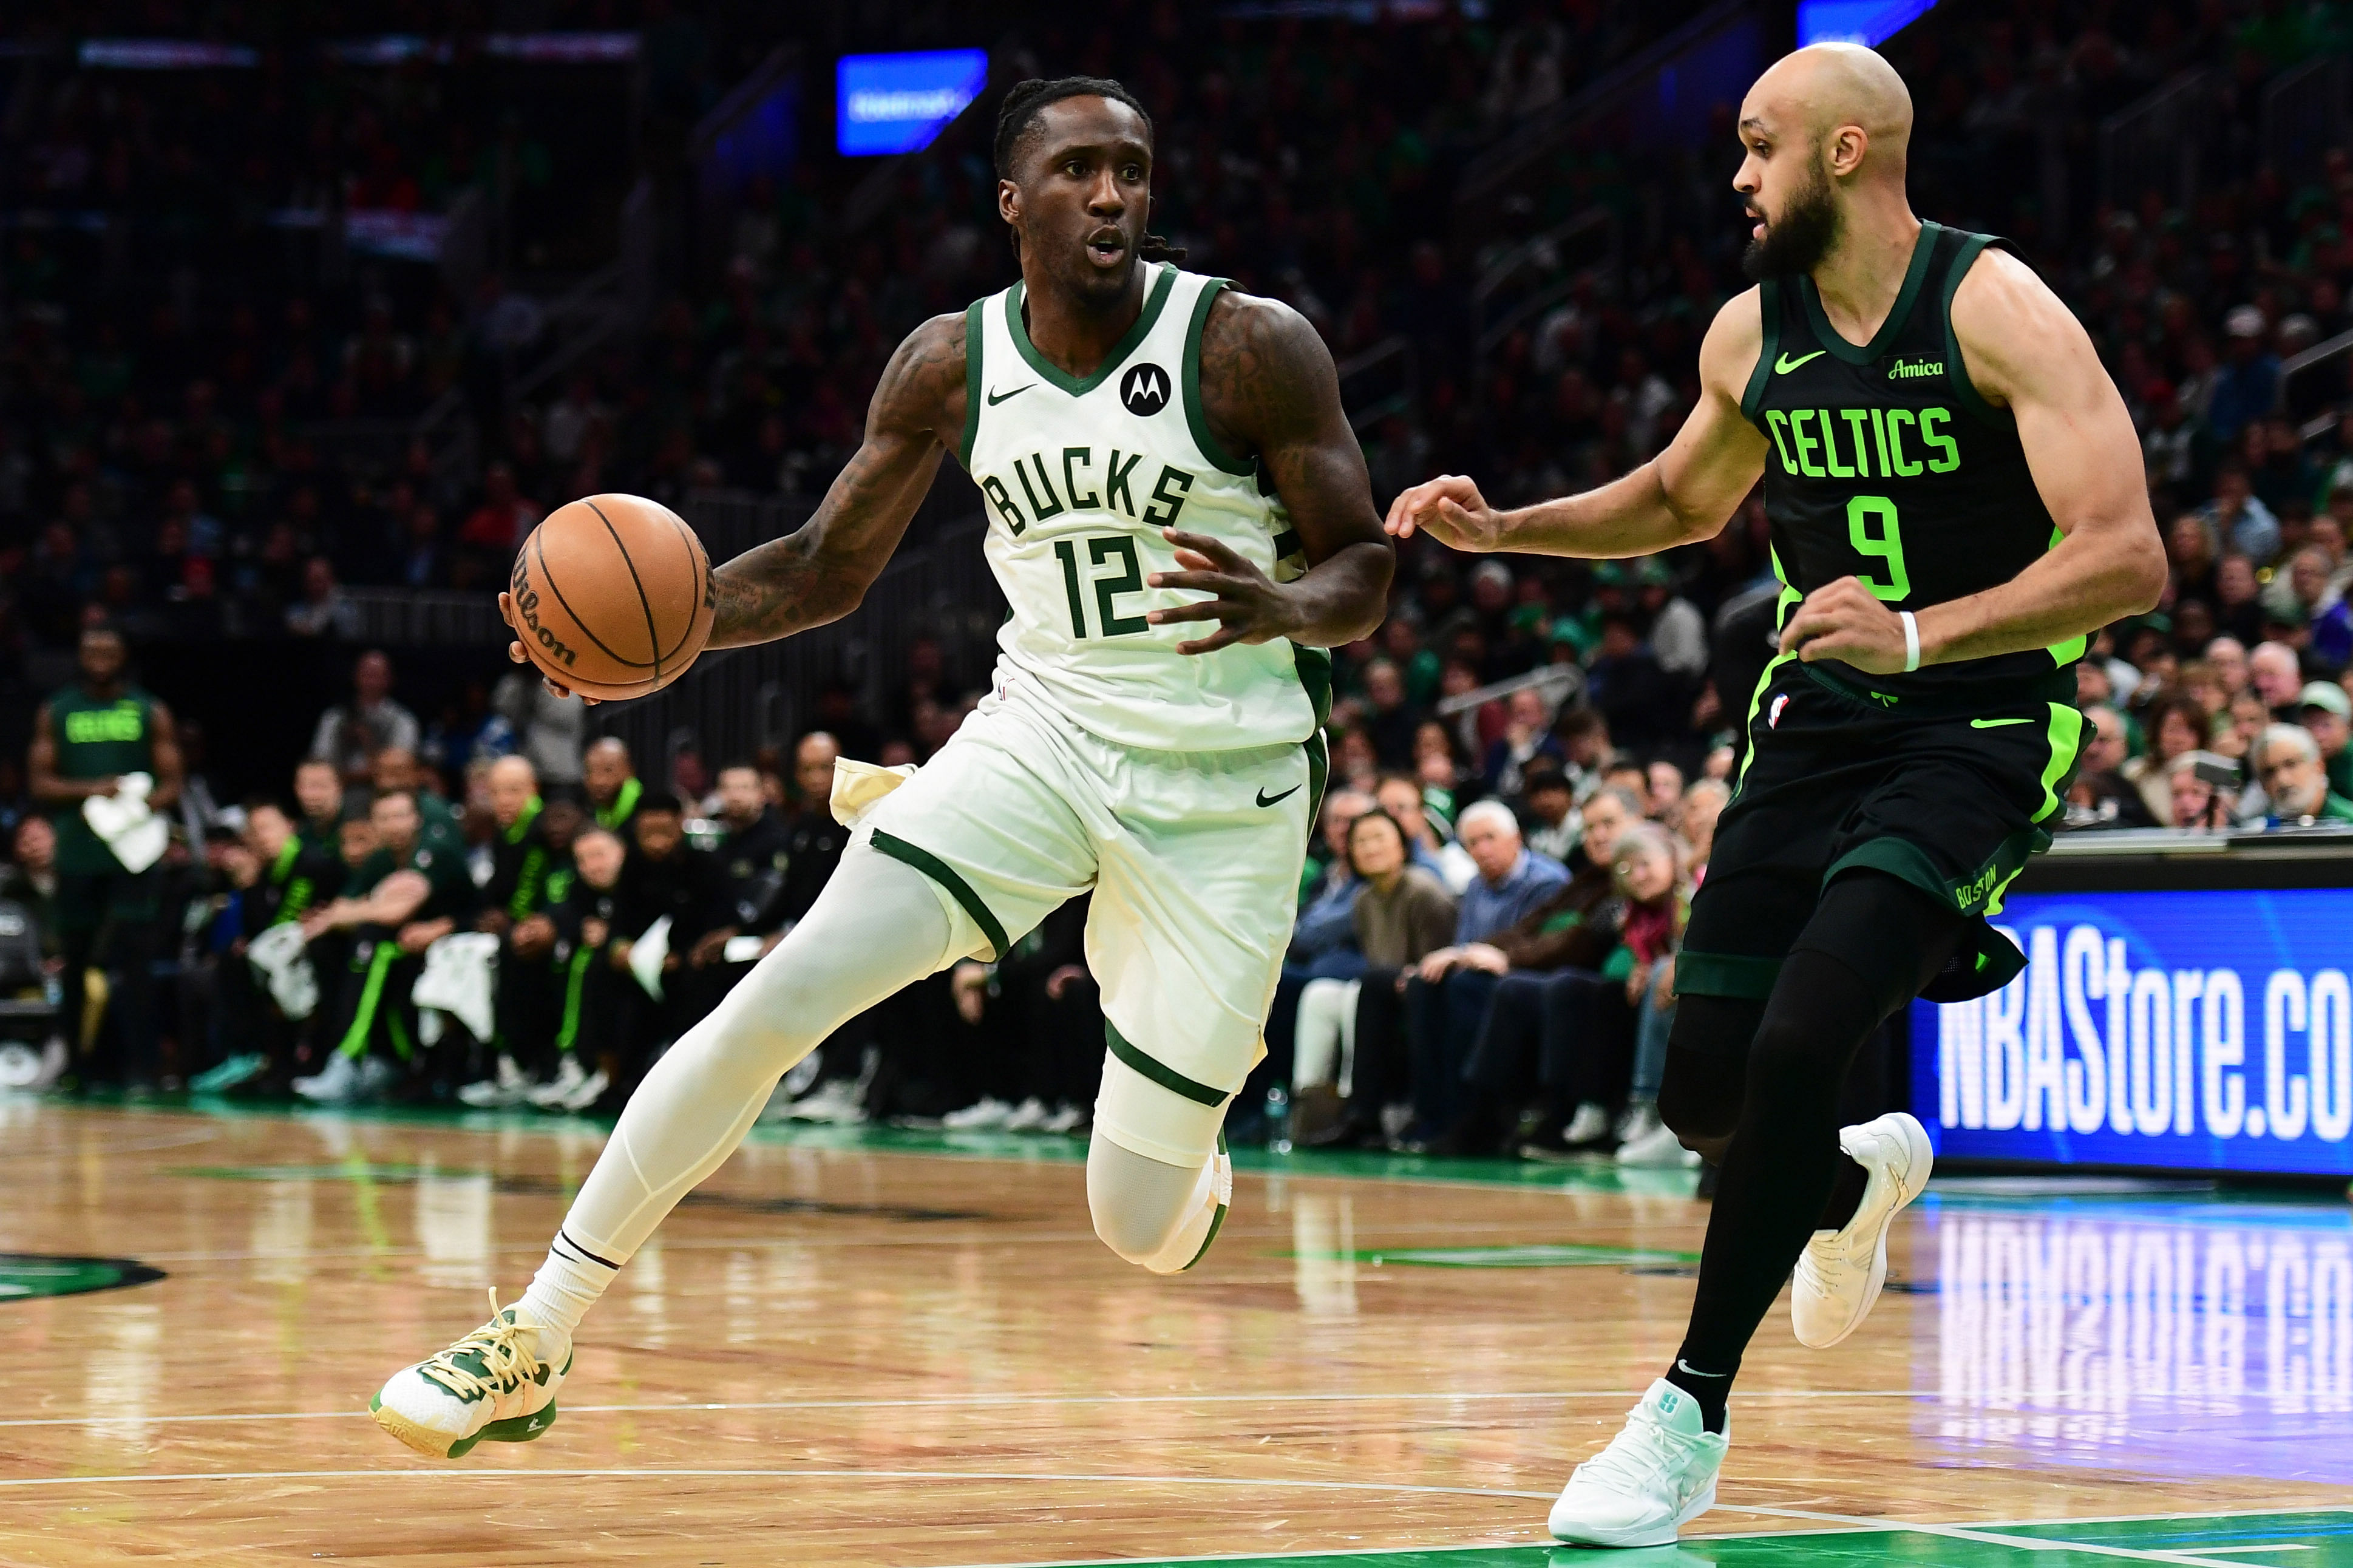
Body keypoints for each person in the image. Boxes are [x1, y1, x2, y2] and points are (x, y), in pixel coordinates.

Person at [373, 73, 1393, 1460]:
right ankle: (534, 1336)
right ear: (1010, 201)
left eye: (1132, 172)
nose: (1110, 195)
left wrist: (1287, 605)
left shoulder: (1246, 348)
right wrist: (661, 642)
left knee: (1139, 1230)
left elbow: (1365, 567)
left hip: (1227, 795)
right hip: (1038, 740)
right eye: (1079, 170)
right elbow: (822, 568)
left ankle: (1181, 1139)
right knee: (770, 1002)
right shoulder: (947, 364)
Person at [1387, 42, 2165, 1546]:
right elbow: (1681, 499)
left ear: (1850, 153)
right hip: (1811, 723)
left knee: (1812, 1031)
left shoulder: (1990, 306)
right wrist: (1512, 532)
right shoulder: (1751, 333)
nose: (1735, 177)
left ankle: (1679, 1417)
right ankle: (1847, 1186)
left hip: (1980, 722)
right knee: (1704, 1094)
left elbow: (2125, 554)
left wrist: (1924, 630)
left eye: (1758, 148)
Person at [26, 623, 185, 1090]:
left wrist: (134, 806)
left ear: (123, 655)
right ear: (79, 654)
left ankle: (143, 1066)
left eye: (108, 649)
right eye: (91, 648)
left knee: (135, 960)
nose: (99, 656)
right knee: (75, 960)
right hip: (77, 851)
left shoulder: (148, 709)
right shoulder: (57, 710)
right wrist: (95, 790)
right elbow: (40, 782)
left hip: (132, 853)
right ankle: (77, 1065)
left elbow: (173, 782)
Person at [293, 788, 479, 1102]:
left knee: (373, 942)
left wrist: (355, 911)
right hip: (411, 944)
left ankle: (348, 1059)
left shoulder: (435, 851)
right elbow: (338, 909)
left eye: (400, 816)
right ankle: (376, 1060)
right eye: (384, 818)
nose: (393, 825)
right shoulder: (380, 860)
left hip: (459, 938)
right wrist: (350, 912)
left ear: (416, 819)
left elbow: (395, 913)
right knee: (331, 946)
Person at [1291, 807, 1455, 1145]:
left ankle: (1361, 1107)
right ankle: (1310, 1107)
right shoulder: (1363, 899)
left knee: (1366, 989)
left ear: (1402, 846)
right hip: (1381, 987)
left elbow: (1438, 960)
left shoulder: (1425, 892)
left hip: (1423, 991)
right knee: (1320, 994)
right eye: (1361, 841)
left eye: (1379, 838)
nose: (1370, 848)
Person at [310, 650, 420, 790]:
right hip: (336, 794)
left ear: (390, 679)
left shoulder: (403, 721)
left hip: (383, 795)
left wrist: (368, 743)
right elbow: (319, 763)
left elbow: (399, 770)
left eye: (377, 675)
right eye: (366, 674)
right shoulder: (334, 718)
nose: (371, 682)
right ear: (355, 677)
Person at [2252, 724, 2353, 827]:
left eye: (2291, 764)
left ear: (2318, 766)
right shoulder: (2257, 832)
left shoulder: (2349, 824)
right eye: (2269, 773)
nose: (2282, 780)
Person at [582, 738, 642, 835]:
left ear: (629, 771)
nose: (598, 781)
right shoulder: (588, 813)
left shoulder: (646, 813)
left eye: (608, 770)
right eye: (589, 772)